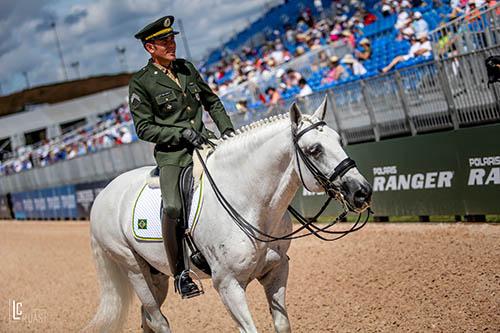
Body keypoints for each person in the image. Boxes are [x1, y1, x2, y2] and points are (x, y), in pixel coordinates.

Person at [129, 15, 234, 299]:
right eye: (164, 41)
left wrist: (228, 132)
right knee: (173, 207)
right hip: (173, 154)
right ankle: (180, 274)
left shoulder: (186, 68)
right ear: (150, 48)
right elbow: (144, 128)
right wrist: (179, 134)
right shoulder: (140, 83)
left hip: (205, 141)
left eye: (172, 38)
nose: (171, 44)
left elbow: (212, 101)